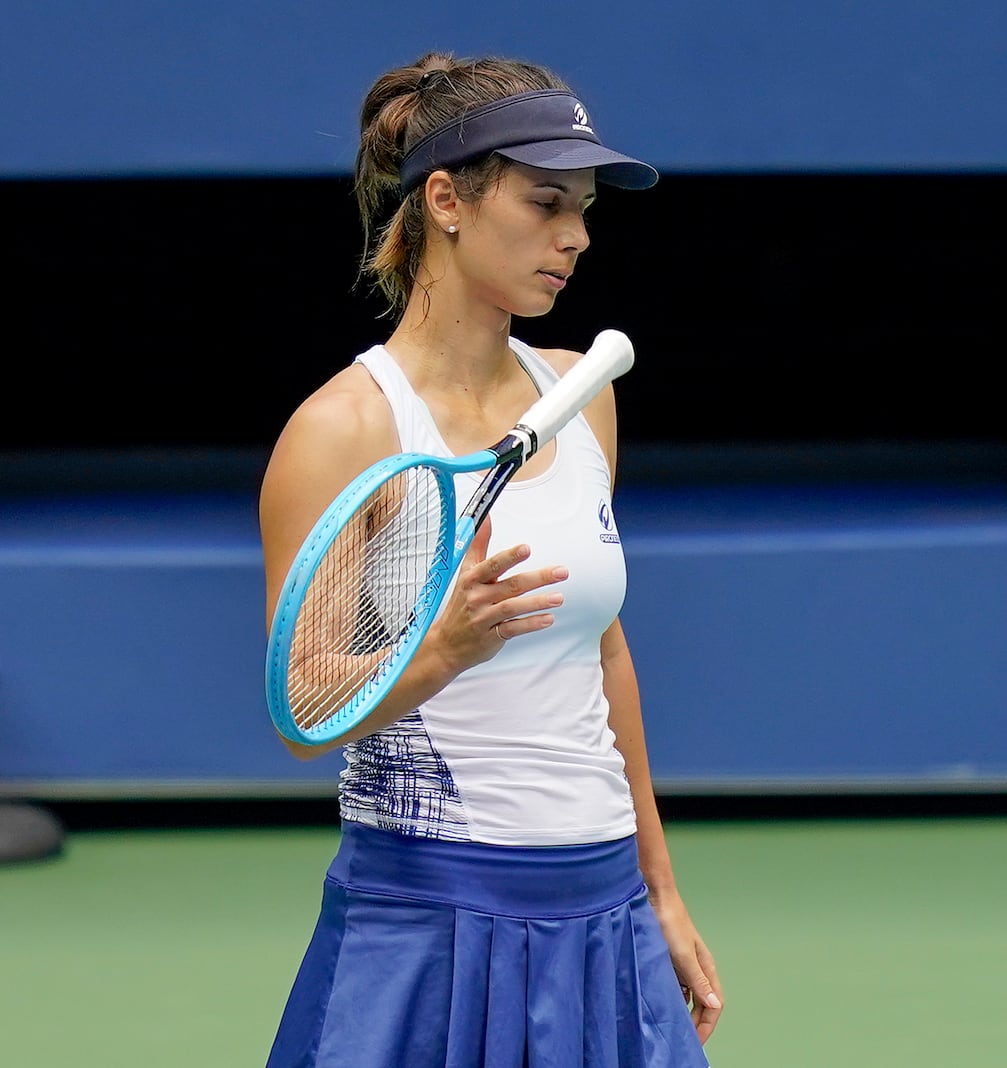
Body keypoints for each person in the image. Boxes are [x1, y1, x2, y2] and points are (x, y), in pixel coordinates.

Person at [258, 51, 722, 1067]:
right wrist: (440, 651)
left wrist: (660, 890)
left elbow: (601, 656)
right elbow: (303, 705)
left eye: (586, 208)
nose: (577, 236)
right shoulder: (345, 431)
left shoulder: (581, 392)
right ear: (446, 200)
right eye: (546, 201)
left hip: (602, 911)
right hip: (425, 920)